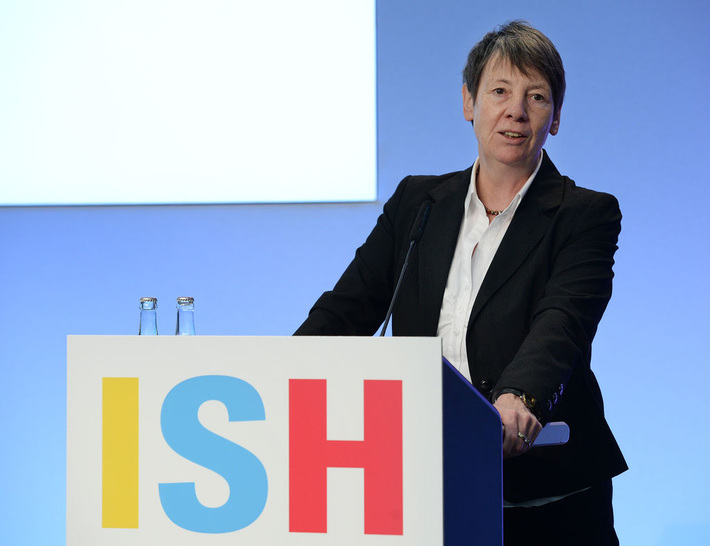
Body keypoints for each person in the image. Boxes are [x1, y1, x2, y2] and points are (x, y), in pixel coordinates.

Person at [295, 21, 627, 545]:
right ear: (469, 102)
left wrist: (521, 397)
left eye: (536, 97)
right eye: (499, 91)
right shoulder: (418, 203)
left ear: (555, 118)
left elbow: (562, 323)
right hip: (423, 485)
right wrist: (279, 374)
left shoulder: (585, 215)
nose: (515, 110)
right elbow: (348, 309)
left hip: (545, 496)